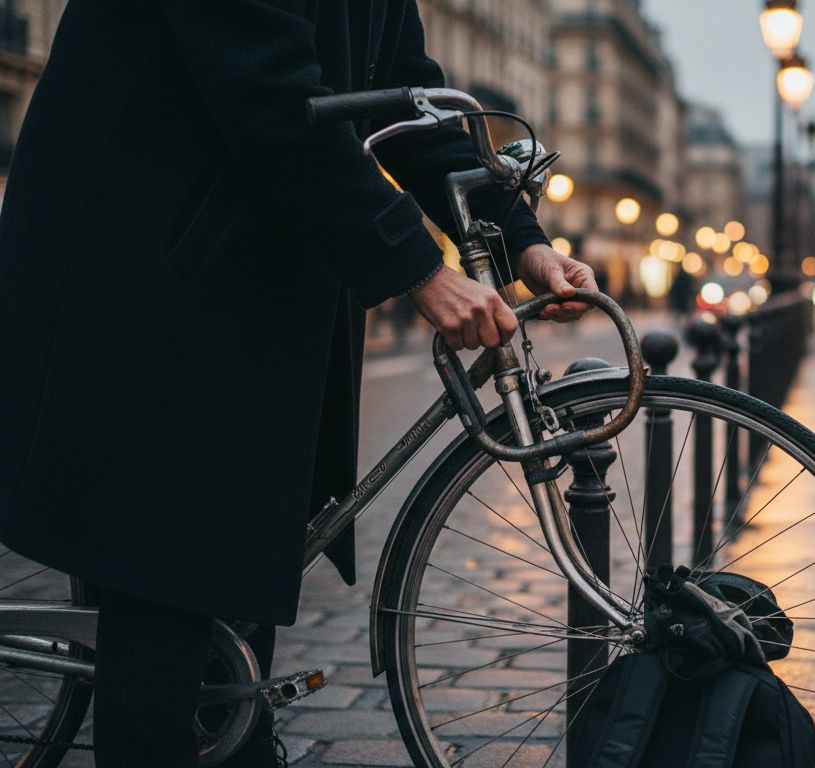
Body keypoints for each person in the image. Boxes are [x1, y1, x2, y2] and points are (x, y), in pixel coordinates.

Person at [0, 1, 594, 765]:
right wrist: (417, 265)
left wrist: (522, 240)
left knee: (231, 577)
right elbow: (268, 91)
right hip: (143, 272)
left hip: (233, 278)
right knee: (165, 594)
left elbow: (405, 99)